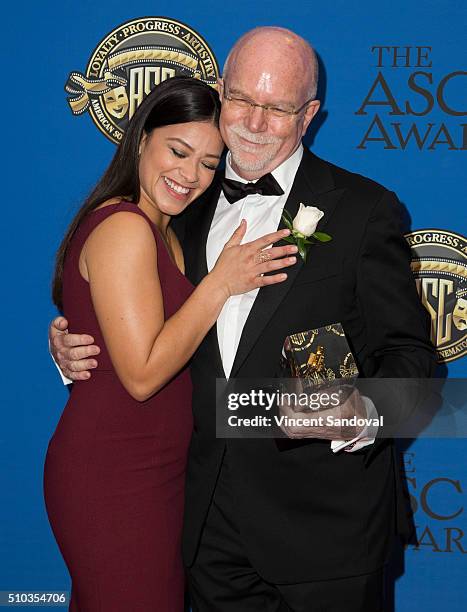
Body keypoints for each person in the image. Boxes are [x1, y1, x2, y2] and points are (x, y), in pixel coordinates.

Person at [50, 28, 436, 611]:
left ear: (307, 116)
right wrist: (72, 349)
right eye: (241, 100)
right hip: (202, 526)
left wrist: (364, 409)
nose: (254, 122)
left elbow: (414, 362)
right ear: (221, 94)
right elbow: (136, 320)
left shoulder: (364, 210)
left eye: (276, 107)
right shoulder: (180, 201)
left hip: (326, 534)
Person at [44, 75, 298, 612]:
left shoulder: (170, 229)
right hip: (115, 471)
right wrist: (221, 284)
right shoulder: (125, 228)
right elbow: (140, 376)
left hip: (167, 471)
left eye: (209, 163)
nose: (190, 175)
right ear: (141, 139)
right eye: (178, 151)